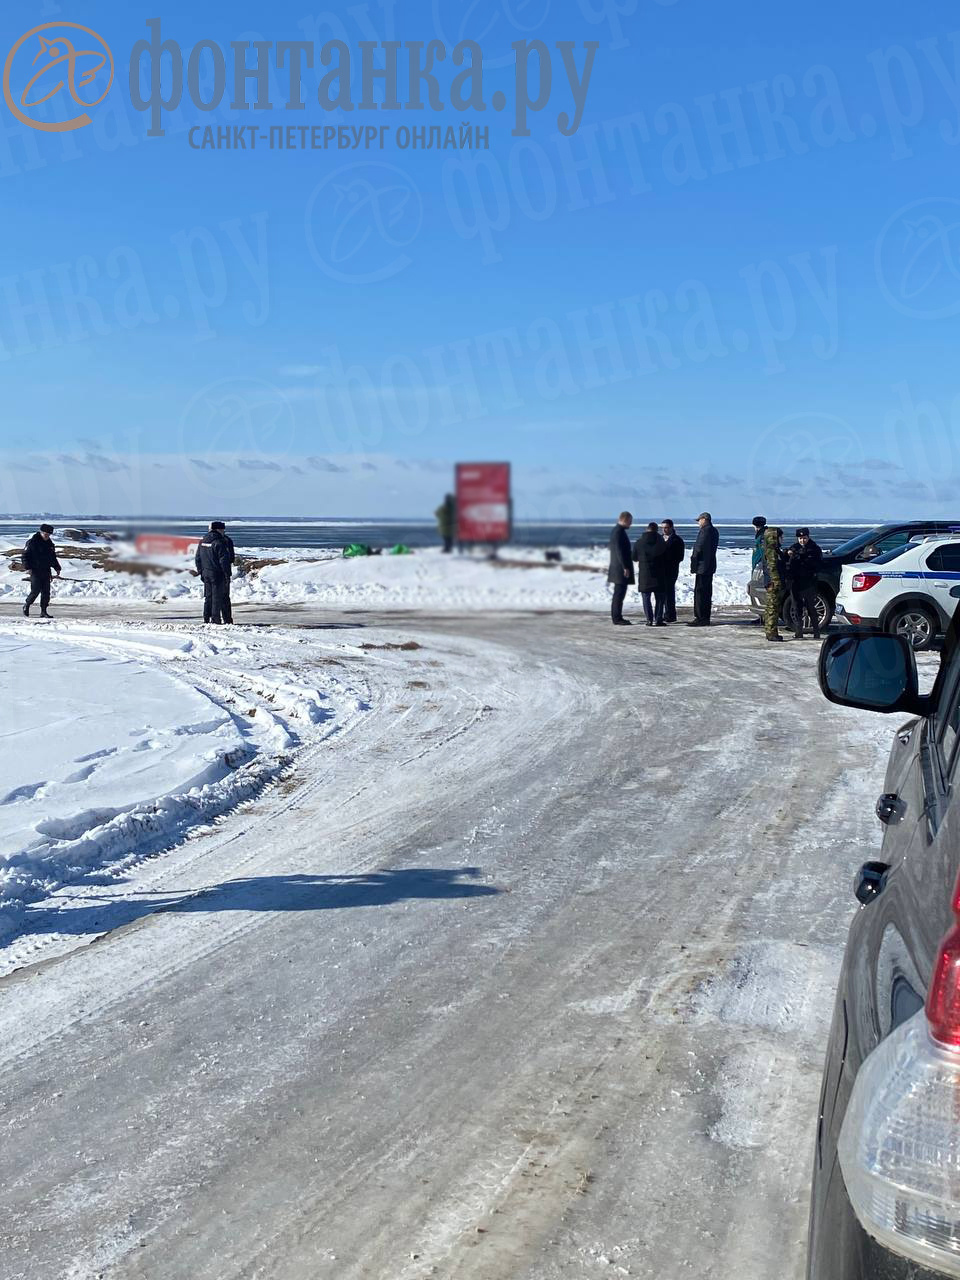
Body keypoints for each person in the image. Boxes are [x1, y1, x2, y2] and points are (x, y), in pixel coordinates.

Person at [786, 527, 823, 639]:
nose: (802, 540)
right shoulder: (794, 548)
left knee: (811, 607)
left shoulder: (814, 549)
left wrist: (803, 557)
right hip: (796, 582)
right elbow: (788, 561)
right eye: (800, 538)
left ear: (808, 537)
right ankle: (799, 632)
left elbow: (817, 564)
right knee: (797, 607)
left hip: (808, 582)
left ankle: (816, 632)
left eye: (804, 538)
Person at [195, 520, 235, 624]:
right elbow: (225, 560)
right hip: (218, 574)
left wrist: (201, 571)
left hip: (206, 573)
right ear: (218, 529)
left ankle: (206, 618)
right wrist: (227, 575)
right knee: (220, 597)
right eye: (222, 529)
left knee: (209, 597)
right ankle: (217, 620)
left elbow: (198, 558)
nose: (223, 531)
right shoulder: (220, 542)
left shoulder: (203, 541)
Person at [22, 523, 61, 618]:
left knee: (46, 592)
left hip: (46, 570)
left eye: (49, 535)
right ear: (41, 532)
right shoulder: (32, 542)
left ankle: (43, 611)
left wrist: (57, 567)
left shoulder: (50, 544)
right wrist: (28, 567)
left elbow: (52, 557)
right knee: (35, 590)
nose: (47, 536)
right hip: (35, 570)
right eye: (45, 534)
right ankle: (27, 605)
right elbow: (24, 556)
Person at [687, 512, 719, 626]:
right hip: (709, 566)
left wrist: (693, 562)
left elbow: (699, 547)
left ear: (704, 519)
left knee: (700, 593)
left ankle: (700, 617)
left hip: (702, 567)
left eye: (699, 520)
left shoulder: (705, 531)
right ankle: (705, 617)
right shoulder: (714, 531)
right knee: (706, 592)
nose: (698, 523)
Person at [633, 521, 667, 626]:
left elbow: (634, 557)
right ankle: (658, 619)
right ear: (656, 530)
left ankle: (649, 619)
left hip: (645, 574)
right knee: (660, 599)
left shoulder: (639, 542)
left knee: (646, 598)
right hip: (659, 574)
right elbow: (666, 557)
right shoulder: (661, 541)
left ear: (647, 529)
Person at [607, 511, 634, 626]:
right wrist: (625, 567)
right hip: (619, 569)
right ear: (625, 519)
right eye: (630, 521)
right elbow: (619, 551)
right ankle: (617, 618)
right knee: (619, 594)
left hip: (618, 568)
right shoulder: (618, 532)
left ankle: (617, 616)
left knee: (619, 593)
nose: (631, 524)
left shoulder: (618, 531)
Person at [762, 526, 787, 641]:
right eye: (780, 537)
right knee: (772, 608)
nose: (782, 539)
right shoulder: (771, 551)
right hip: (773, 584)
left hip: (772, 583)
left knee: (772, 608)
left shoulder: (774, 550)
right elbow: (772, 567)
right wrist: (776, 582)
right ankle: (771, 633)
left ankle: (771, 631)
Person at [660, 519, 685, 623]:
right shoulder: (659, 539)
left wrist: (668, 560)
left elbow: (680, 557)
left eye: (666, 528)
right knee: (661, 593)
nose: (664, 530)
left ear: (671, 528)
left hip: (671, 570)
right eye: (662, 528)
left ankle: (671, 615)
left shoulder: (677, 540)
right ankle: (661, 614)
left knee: (669, 593)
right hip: (660, 570)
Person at [750, 516, 767, 624]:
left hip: (760, 567)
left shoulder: (762, 537)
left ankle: (764, 617)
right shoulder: (760, 535)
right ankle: (761, 617)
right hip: (756, 566)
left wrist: (759, 564)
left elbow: (762, 552)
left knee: (761, 592)